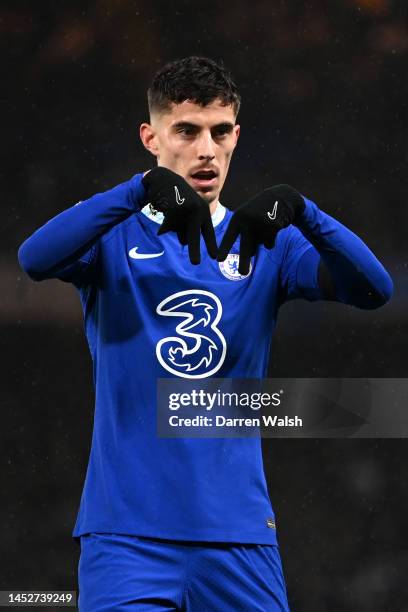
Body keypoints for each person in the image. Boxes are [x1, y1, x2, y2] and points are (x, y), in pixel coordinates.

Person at [18, 56, 393, 611]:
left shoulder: (270, 244)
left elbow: (374, 288)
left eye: (220, 132)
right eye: (186, 131)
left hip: (238, 536)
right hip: (127, 538)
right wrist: (137, 192)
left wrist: (305, 211)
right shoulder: (113, 234)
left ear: (236, 137)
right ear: (151, 138)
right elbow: (33, 258)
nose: (206, 149)